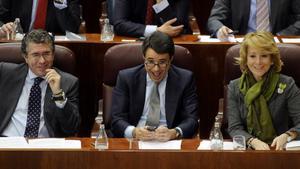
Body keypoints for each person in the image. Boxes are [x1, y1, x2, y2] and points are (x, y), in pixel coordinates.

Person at [111, 31, 198, 141]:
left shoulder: (185, 79)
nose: (156, 69)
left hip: (169, 142)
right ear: (144, 58)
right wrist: (134, 132)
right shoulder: (127, 78)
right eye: (150, 62)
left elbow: (192, 119)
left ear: (170, 60)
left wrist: (175, 132)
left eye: (162, 62)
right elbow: (116, 119)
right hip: (135, 141)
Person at [227, 31, 300, 150]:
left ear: (272, 59)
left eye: (264, 56)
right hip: (248, 151)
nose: (258, 62)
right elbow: (234, 128)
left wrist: (288, 135)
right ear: (245, 59)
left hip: (279, 149)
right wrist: (252, 141)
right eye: (252, 56)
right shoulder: (234, 87)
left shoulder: (287, 84)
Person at [0, 29, 80, 137]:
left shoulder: (68, 82)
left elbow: (71, 128)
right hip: (8, 143)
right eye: (36, 55)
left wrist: (58, 94)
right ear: (25, 57)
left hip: (44, 147)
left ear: (53, 54)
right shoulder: (5, 72)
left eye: (46, 54)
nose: (42, 61)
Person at [207, 0, 300, 41]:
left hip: (277, 46)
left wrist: (280, 36)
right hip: (242, 45)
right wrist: (220, 29)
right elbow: (214, 20)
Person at [113, 0, 191, 38]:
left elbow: (177, 27)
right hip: (135, 41)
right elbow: (119, 24)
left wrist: (161, 3)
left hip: (167, 45)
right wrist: (155, 31)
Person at [0, 0, 81, 36]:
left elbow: (72, 30)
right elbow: (1, 17)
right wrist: (3, 27)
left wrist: (60, 2)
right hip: (18, 44)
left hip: (52, 49)